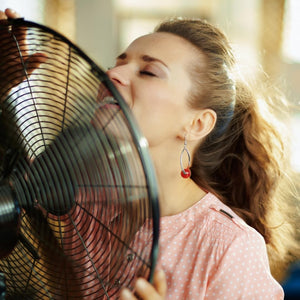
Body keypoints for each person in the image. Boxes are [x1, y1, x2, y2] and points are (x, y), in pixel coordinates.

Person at [1, 8, 299, 300]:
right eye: (117, 63)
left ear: (197, 123)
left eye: (148, 71)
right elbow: (15, 177)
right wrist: (4, 85)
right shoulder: (84, 199)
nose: (112, 73)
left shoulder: (229, 248)